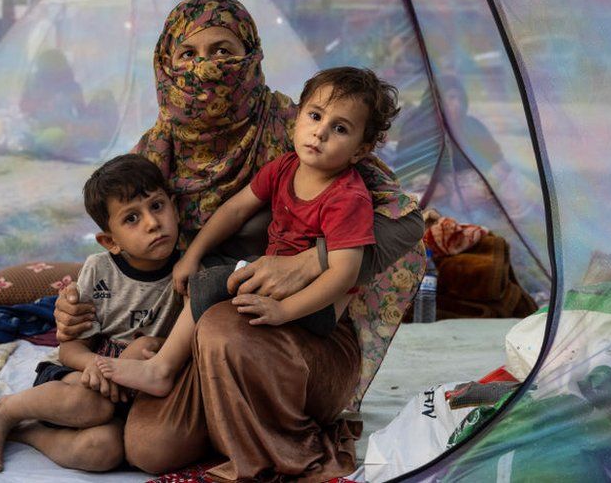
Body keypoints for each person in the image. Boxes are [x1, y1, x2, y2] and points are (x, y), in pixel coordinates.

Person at [55, 0, 425, 481]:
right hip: (196, 335)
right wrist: (74, 306)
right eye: (189, 54)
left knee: (221, 324)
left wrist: (308, 262)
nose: (207, 68)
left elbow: (407, 222)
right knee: (148, 448)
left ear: (250, 56)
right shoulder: (155, 151)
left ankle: (266, 442)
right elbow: (127, 246)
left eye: (223, 50)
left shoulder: (298, 132)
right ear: (166, 63)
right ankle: (225, 418)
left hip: (298, 336)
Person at [98, 67, 398, 398]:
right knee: (207, 264)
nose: (320, 133)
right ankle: (173, 351)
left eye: (339, 128)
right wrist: (193, 255)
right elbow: (235, 210)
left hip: (316, 305)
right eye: (315, 116)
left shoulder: (346, 197)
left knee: (211, 282)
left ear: (359, 150)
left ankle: (162, 369)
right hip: (274, 272)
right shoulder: (285, 168)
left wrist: (285, 310)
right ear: (298, 117)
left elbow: (344, 274)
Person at [0, 154, 183, 473]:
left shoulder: (188, 272)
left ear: (174, 207)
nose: (152, 223)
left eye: (157, 206)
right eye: (132, 218)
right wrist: (98, 367)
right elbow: (70, 347)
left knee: (102, 450)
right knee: (92, 403)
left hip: (132, 393)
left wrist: (127, 364)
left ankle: (27, 432)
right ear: (111, 241)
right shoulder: (100, 270)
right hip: (76, 379)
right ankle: (4, 411)